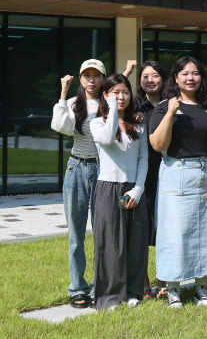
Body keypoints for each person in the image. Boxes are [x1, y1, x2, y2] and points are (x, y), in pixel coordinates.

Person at [149, 56, 207, 309]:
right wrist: (172, 112)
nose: (190, 78)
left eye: (195, 73)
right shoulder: (164, 107)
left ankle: (201, 287)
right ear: (176, 78)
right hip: (176, 173)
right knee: (174, 233)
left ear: (201, 77)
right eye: (184, 73)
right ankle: (173, 288)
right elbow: (158, 145)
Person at [89, 73, 149, 309]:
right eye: (115, 92)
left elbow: (143, 158)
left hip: (133, 189)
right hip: (108, 189)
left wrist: (138, 189)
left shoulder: (139, 124)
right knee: (110, 244)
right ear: (105, 95)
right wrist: (112, 108)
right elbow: (106, 138)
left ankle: (133, 291)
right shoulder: (98, 123)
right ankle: (109, 296)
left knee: (135, 243)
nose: (121, 96)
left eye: (125, 91)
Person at [50, 59, 105, 309]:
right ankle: (77, 288)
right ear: (81, 79)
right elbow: (62, 127)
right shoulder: (73, 104)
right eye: (87, 76)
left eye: (96, 75)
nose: (91, 80)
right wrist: (63, 93)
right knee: (76, 234)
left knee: (103, 233)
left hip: (105, 171)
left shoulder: (110, 102)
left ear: (103, 78)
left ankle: (99, 286)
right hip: (77, 168)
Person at [123, 59, 167, 299]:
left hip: (166, 172)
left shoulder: (171, 104)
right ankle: (143, 284)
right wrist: (127, 71)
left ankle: (164, 281)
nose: (150, 80)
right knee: (140, 228)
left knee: (163, 229)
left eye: (155, 75)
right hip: (140, 174)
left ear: (163, 78)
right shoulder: (135, 105)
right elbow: (111, 94)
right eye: (145, 76)